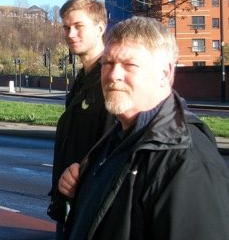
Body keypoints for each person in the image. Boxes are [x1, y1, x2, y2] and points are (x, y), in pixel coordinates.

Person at [59, 16, 229, 240]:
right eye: (107, 64)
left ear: (165, 74)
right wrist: (82, 189)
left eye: (129, 65)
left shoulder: (186, 160)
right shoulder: (120, 137)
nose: (113, 75)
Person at [48, 0, 112, 238]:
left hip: (91, 210)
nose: (70, 34)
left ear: (100, 28)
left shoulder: (109, 80)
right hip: (71, 206)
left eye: (78, 26)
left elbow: (111, 148)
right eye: (66, 27)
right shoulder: (82, 80)